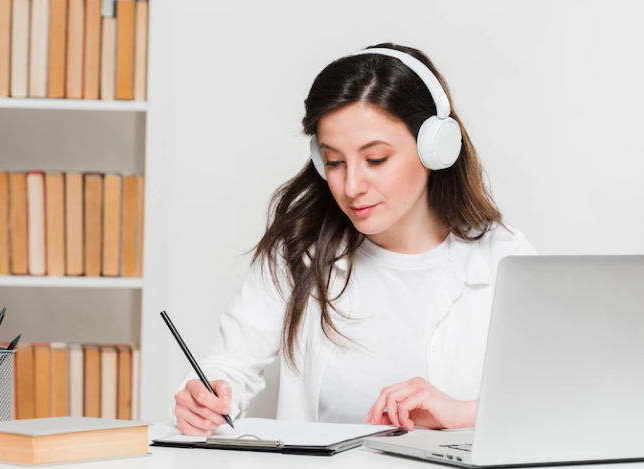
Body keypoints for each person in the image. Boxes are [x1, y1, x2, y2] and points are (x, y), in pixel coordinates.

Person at [171, 43, 537, 436]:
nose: (351, 186)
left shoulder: (505, 257)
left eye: (376, 159)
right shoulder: (299, 250)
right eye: (333, 162)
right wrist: (203, 396)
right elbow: (228, 366)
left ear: (436, 148)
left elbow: (561, 400)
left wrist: (463, 414)